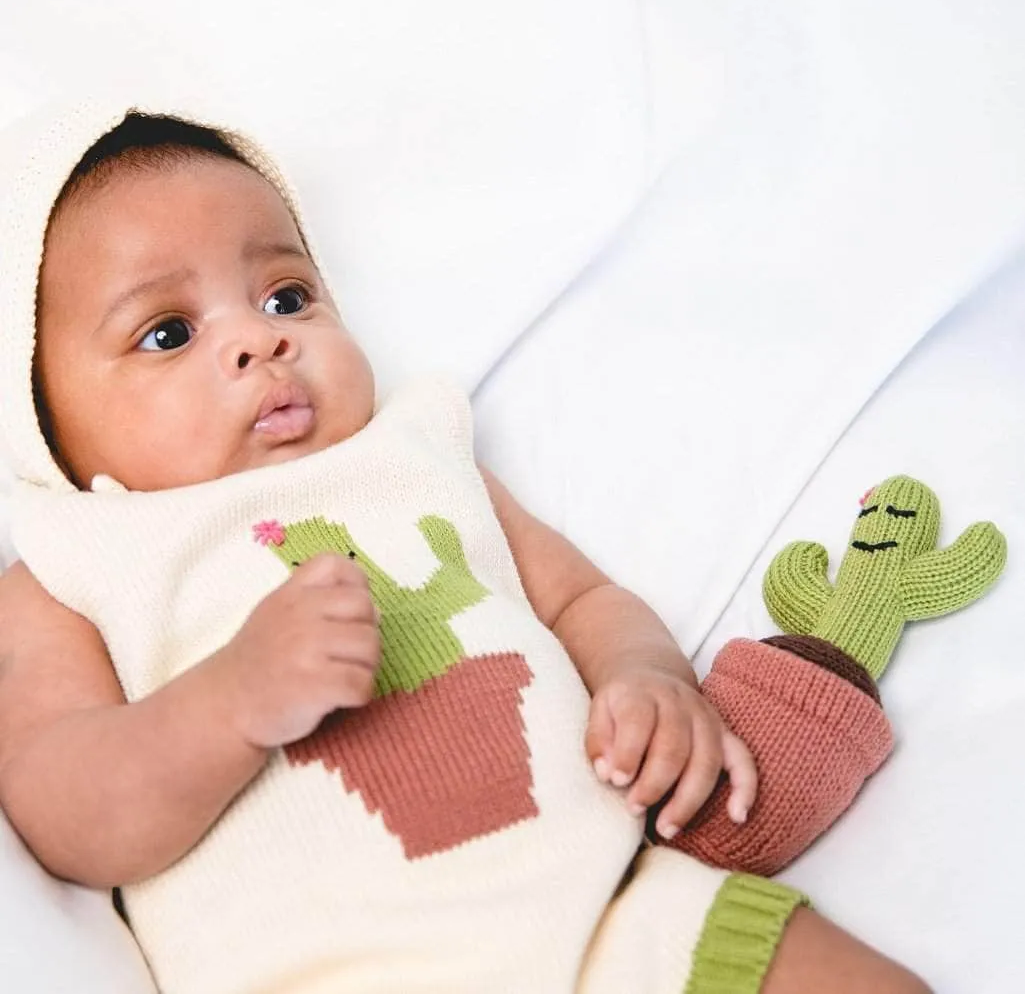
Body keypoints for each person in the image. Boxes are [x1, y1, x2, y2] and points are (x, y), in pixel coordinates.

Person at [0, 101, 930, 994]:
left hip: (612, 912)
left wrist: (646, 676)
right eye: (167, 331)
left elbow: (580, 601)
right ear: (40, 417)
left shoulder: (417, 456)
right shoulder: (74, 563)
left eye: (287, 294)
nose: (259, 339)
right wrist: (231, 700)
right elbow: (62, 807)